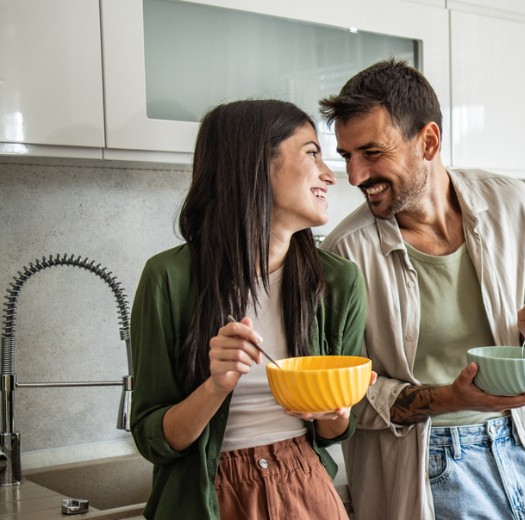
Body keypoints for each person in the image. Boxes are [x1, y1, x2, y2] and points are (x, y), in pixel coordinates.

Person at [318, 58, 525, 519]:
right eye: (346, 157)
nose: (354, 176)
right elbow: (350, 399)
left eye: (371, 153)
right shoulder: (345, 253)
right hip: (429, 467)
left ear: (429, 141)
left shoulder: (509, 202)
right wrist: (452, 398)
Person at [129, 99, 372, 519]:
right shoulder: (167, 279)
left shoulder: (338, 281)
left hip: (306, 492)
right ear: (256, 162)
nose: (330, 175)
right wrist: (215, 385)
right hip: (207, 500)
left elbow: (335, 431)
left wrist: (338, 408)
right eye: (312, 152)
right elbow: (153, 438)